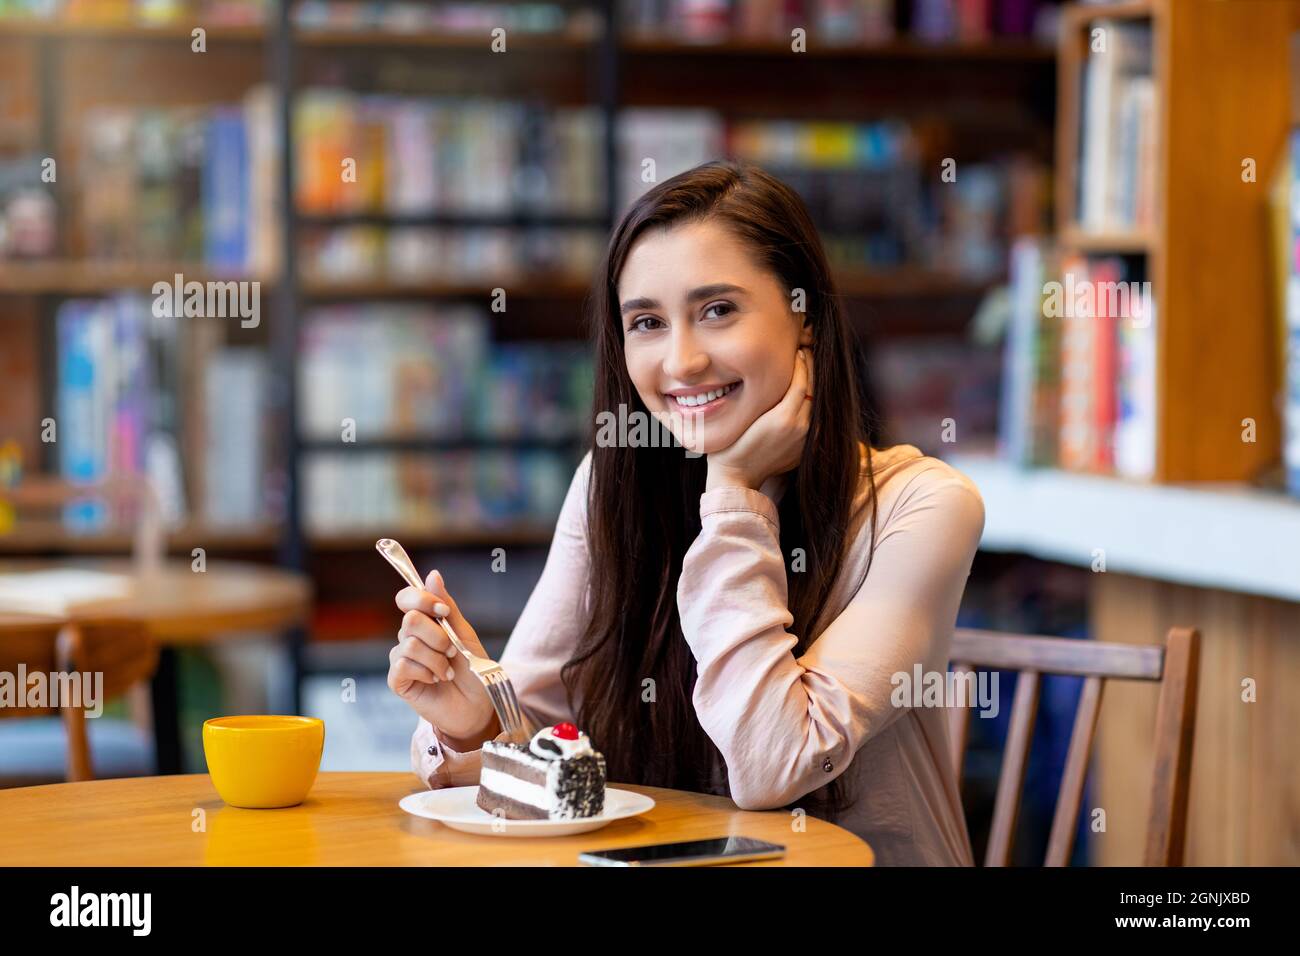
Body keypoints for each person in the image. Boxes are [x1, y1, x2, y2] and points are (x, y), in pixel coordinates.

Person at [388, 160, 984, 866]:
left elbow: (776, 763)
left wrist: (734, 495)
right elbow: (542, 743)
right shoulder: (610, 487)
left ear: (807, 319)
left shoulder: (925, 506)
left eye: (718, 310)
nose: (683, 360)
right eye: (646, 322)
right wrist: (476, 723)